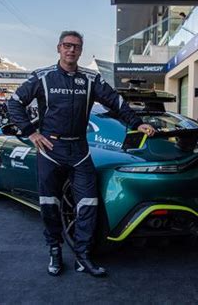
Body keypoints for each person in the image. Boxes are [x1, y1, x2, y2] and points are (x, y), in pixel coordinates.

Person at [8, 31, 155, 277]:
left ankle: (83, 256)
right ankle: (54, 250)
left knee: (88, 204)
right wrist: (31, 133)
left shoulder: (90, 79)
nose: (71, 50)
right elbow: (14, 102)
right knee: (49, 204)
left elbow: (116, 102)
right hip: (50, 150)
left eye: (76, 46)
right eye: (67, 45)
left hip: (79, 150)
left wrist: (136, 123)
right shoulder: (42, 77)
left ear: (81, 50)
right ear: (59, 48)